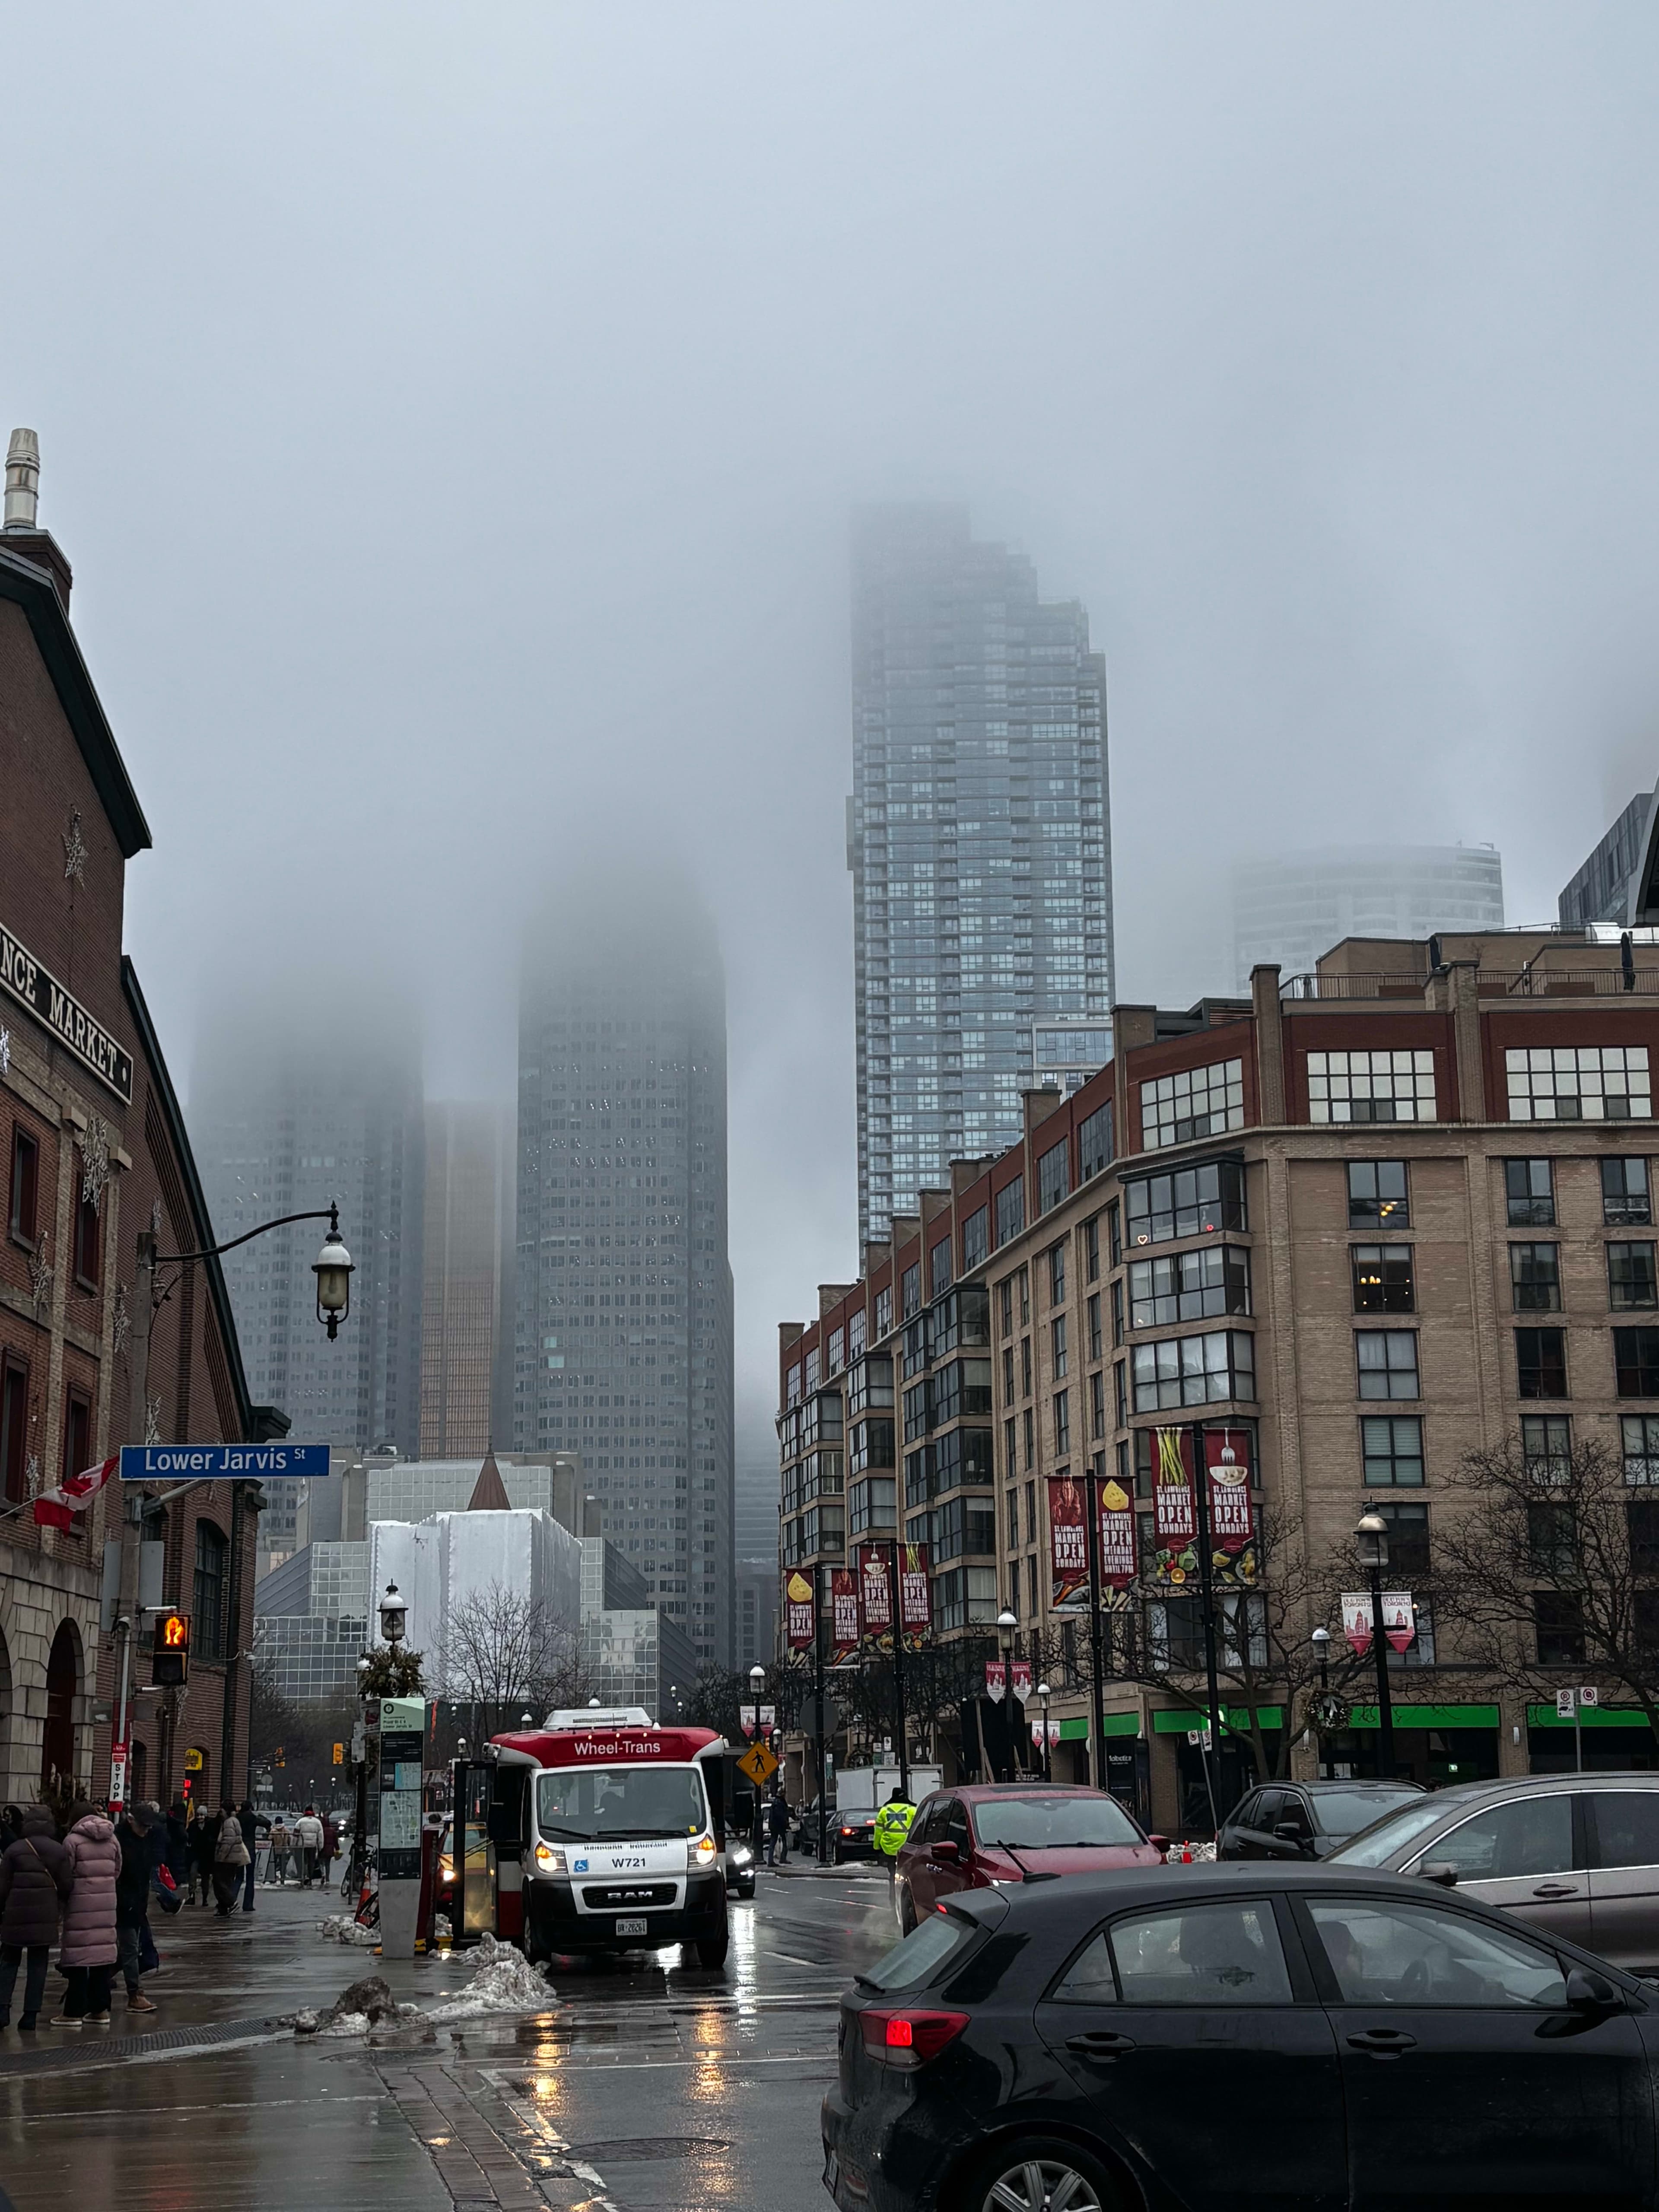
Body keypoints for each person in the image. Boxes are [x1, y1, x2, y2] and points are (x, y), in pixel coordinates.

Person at [0, 1803, 71, 2031]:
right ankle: (30, 2016)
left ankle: (3, 2010)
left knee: (9, 1962)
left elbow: (2, 1887)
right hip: (45, 1915)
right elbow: (66, 1886)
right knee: (38, 1965)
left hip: (15, 1915)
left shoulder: (14, 1849)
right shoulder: (59, 1850)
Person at [57, 1800, 121, 2024]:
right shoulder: (112, 1838)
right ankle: (100, 2010)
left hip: (79, 1906)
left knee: (78, 1958)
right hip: (106, 1906)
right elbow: (116, 1870)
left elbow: (66, 1875)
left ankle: (73, 2012)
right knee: (101, 1959)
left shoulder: (72, 1841)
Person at [114, 1804, 159, 2015]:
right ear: (131, 1820)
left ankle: (94, 1984)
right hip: (122, 1904)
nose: (146, 1831)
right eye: (143, 1826)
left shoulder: (145, 1841)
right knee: (130, 1950)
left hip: (137, 1904)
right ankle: (135, 1994)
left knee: (131, 1951)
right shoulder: (119, 1841)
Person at [212, 1803, 248, 1916]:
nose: (221, 1813)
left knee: (219, 1882)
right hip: (233, 1858)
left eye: (222, 1811)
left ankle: (231, 1903)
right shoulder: (233, 1821)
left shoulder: (229, 1823)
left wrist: (221, 1857)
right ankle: (224, 1908)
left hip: (228, 1859)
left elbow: (228, 1841)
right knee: (226, 1882)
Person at [873, 1786, 916, 1873]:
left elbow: (878, 1831)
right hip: (905, 1845)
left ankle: (892, 1883)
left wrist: (876, 1847)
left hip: (889, 1846)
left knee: (892, 1870)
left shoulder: (884, 1810)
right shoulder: (912, 1810)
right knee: (905, 1870)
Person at [236, 1800, 269, 1912]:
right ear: (251, 1808)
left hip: (239, 1848)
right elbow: (267, 1823)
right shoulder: (252, 1818)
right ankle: (248, 1905)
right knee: (250, 1878)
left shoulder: (237, 1818)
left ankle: (231, 1901)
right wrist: (260, 1815)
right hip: (250, 1849)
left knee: (238, 1878)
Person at [292, 1806, 323, 1888]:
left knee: (304, 1861)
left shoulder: (300, 1822)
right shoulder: (317, 1822)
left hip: (302, 1845)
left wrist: (293, 1845)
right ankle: (310, 1877)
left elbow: (295, 1835)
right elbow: (321, 1835)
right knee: (311, 1862)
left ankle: (304, 1876)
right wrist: (320, 1846)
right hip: (313, 1845)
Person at [766, 1789, 790, 1868]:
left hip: (776, 1825)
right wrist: (785, 1824)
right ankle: (776, 1860)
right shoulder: (779, 1803)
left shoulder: (778, 1802)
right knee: (779, 1842)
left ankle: (775, 1859)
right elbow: (781, 1816)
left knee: (775, 1842)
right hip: (778, 1826)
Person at [266, 1816, 290, 1887]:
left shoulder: (273, 1830)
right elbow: (289, 1839)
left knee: (274, 1865)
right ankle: (283, 1880)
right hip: (284, 1849)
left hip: (275, 1849)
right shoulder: (286, 1830)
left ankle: (273, 1878)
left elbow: (269, 1838)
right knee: (283, 1866)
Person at [320, 1811, 339, 1889]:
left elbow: (320, 1840)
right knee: (328, 1865)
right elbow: (335, 1841)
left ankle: (322, 1874)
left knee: (321, 1863)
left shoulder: (321, 1831)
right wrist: (337, 1849)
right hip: (330, 1850)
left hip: (322, 1848)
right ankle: (328, 1879)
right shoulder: (332, 1831)